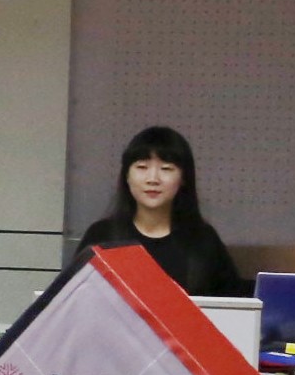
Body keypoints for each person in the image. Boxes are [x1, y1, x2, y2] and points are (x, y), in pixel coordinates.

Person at [70, 125, 248, 297]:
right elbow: (74, 299)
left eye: (166, 169)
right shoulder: (102, 236)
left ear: (183, 178)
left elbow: (232, 305)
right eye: (142, 167)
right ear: (126, 176)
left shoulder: (203, 240)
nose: (153, 179)